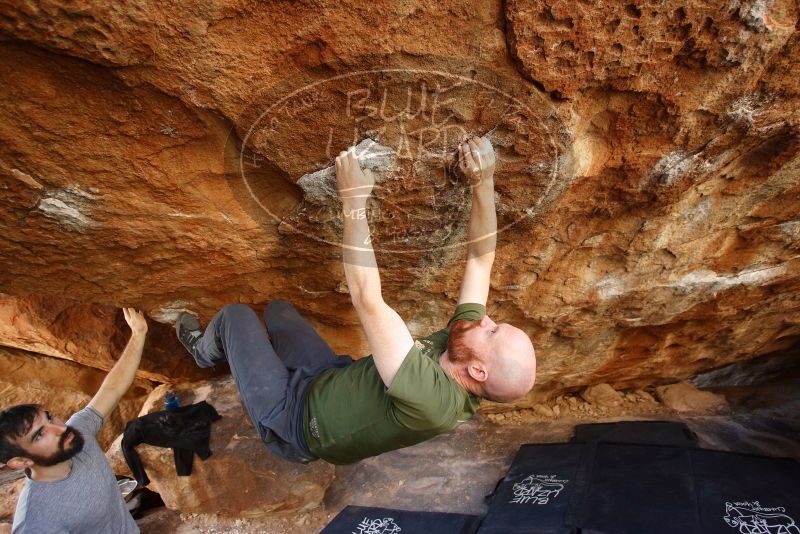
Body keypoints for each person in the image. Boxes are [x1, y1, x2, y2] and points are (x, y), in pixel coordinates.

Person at [175, 136, 536, 465]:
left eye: (492, 332)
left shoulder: (432, 401)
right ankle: (253, 359)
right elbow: (480, 260)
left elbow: (367, 299)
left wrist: (353, 200)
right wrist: (484, 180)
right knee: (277, 312)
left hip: (295, 421)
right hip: (328, 378)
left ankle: (202, 351)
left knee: (235, 316)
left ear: (477, 371)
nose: (486, 320)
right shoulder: (464, 346)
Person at [0, 308, 148, 534]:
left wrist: (138, 334)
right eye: (40, 434)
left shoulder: (77, 432)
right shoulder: (37, 521)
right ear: (20, 461)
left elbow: (113, 388)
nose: (59, 428)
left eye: (50, 418)